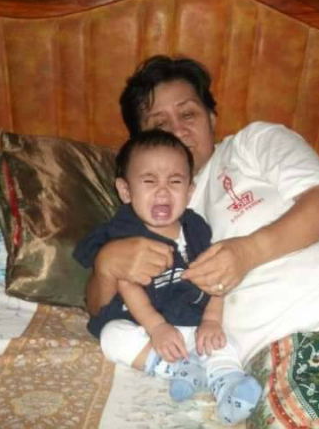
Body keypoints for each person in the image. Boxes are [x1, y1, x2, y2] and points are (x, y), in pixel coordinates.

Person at [83, 56, 319, 417]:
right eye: (160, 123)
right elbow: (101, 311)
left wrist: (247, 253)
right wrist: (106, 265)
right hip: (282, 349)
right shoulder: (143, 214)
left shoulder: (252, 143)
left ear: (211, 118)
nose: (178, 130)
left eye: (188, 114)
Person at [74, 129, 262, 426]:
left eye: (175, 182)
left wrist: (212, 320)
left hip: (193, 321)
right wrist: (157, 328)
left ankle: (228, 383)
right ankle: (174, 368)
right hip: (144, 326)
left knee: (223, 341)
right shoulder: (122, 232)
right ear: (125, 191)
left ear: (189, 191)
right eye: (149, 181)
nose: (163, 192)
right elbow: (126, 283)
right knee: (112, 336)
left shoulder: (196, 228)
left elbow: (216, 275)